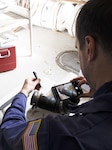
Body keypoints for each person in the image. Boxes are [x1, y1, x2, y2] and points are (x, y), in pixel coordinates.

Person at [1, 0, 112, 149]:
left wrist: (23, 93)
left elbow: (8, 135)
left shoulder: (59, 135)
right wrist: (99, 91)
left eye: (78, 48)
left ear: (89, 48)